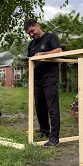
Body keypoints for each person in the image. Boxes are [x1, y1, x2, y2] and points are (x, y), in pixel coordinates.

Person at [24, 18, 62, 147]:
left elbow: (59, 51)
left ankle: (54, 138)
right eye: (29, 33)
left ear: (37, 25)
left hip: (50, 77)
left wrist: (43, 54)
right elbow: (30, 59)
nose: (31, 34)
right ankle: (44, 130)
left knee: (52, 107)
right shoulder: (31, 44)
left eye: (32, 31)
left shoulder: (50, 37)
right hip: (37, 79)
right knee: (40, 107)